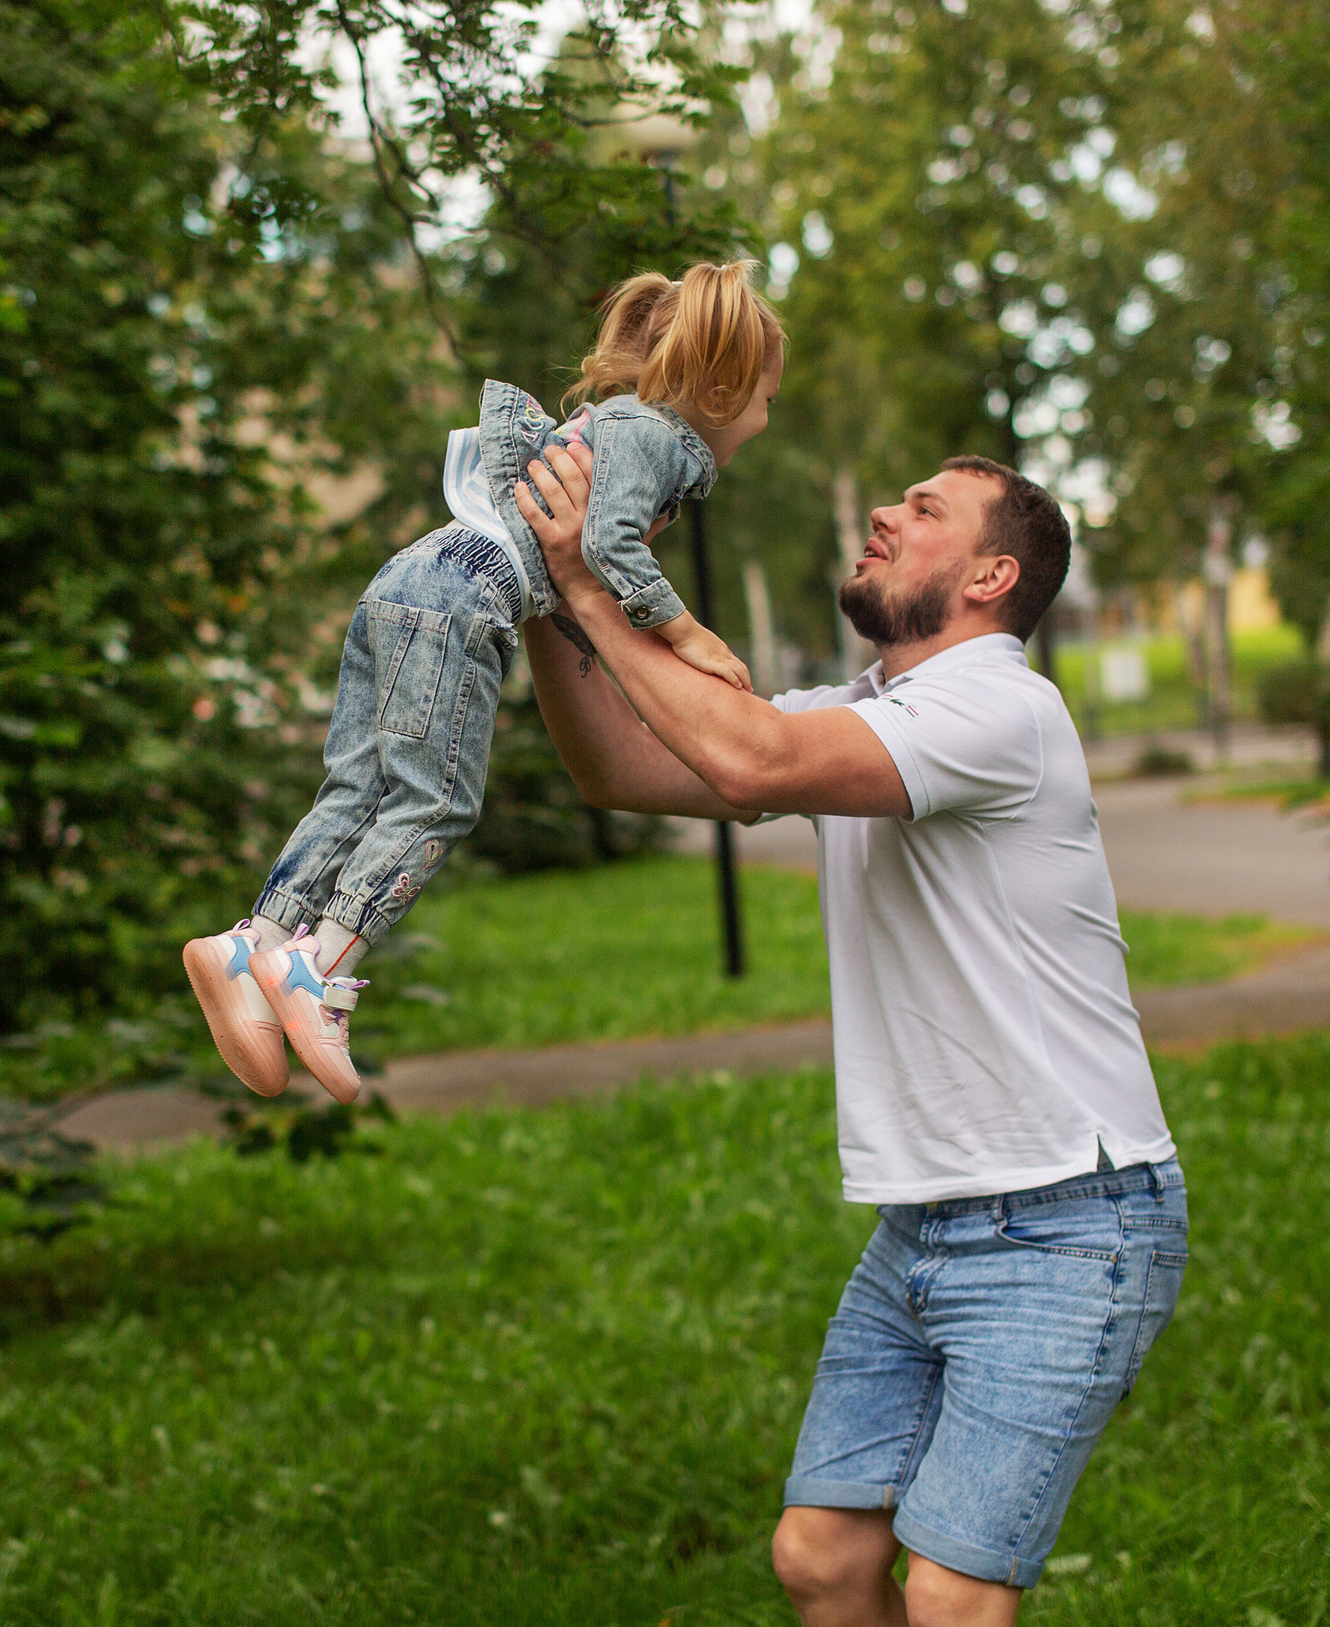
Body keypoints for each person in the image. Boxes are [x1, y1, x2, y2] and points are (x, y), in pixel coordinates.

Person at [508, 439, 1186, 1627]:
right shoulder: (867, 712)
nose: (882, 509)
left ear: (988, 578)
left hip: (1068, 1219)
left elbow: (747, 751)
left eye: (923, 510)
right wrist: (542, 598)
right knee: (821, 1560)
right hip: (923, 1226)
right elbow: (620, 767)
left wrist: (588, 584)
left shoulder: (998, 708)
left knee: (948, 1598)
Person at [181, 262, 784, 1103]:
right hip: (468, 598)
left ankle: (254, 943)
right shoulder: (657, 440)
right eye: (766, 397)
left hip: (410, 574)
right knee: (435, 801)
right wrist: (686, 633)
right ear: (721, 389)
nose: (764, 418)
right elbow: (609, 548)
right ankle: (320, 969)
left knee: (360, 784)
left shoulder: (607, 423)